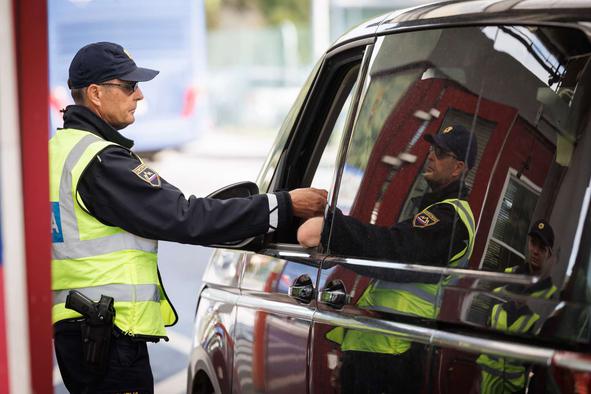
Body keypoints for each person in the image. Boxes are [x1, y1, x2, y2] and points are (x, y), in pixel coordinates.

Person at [50, 41, 327, 393]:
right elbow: (184, 216)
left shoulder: (56, 152)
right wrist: (283, 206)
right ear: (95, 94)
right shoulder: (101, 161)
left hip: (77, 330)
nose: (139, 96)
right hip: (107, 334)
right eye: (129, 86)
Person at [298, 124, 477, 393]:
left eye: (440, 152)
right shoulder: (436, 210)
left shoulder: (451, 219)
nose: (430, 155)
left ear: (458, 168)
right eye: (431, 148)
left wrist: (333, 229)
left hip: (393, 353)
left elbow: (397, 251)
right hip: (378, 346)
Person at [476, 219, 557, 394]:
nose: (535, 251)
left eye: (541, 248)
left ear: (549, 255)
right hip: (483, 383)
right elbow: (486, 323)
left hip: (515, 389)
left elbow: (541, 358)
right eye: (533, 243)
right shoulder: (508, 276)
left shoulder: (550, 298)